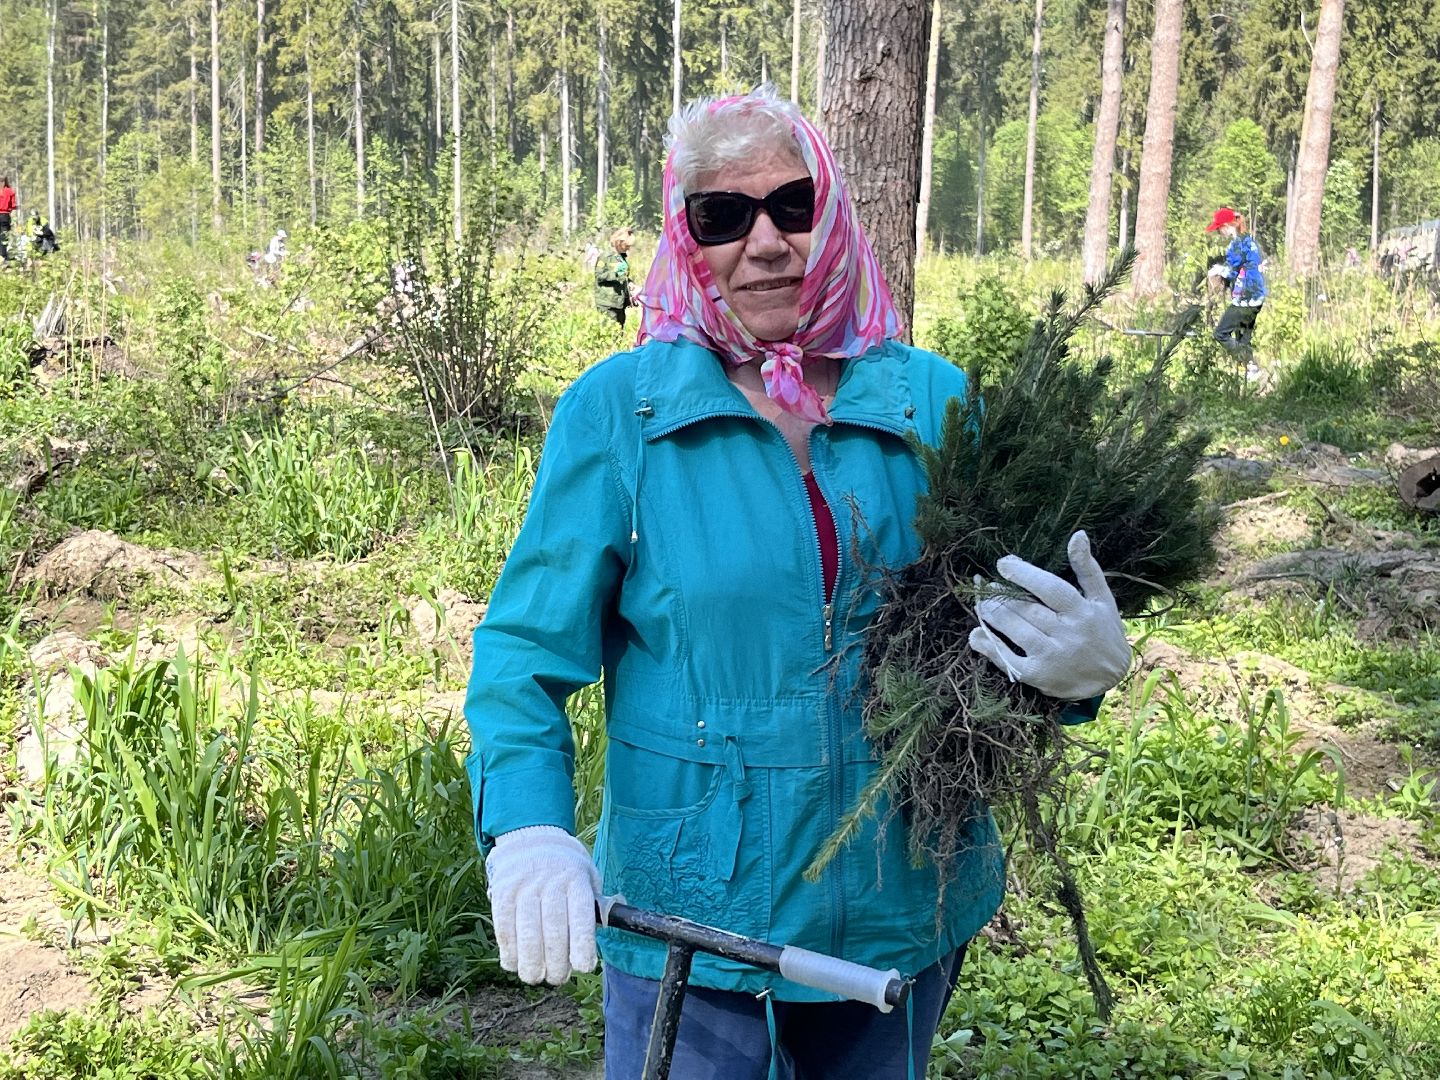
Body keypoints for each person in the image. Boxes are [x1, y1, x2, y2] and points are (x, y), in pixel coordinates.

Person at [465, 87, 1132, 1079]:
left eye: (793, 203)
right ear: (684, 238)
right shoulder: (622, 416)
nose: (767, 240)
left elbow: (1016, 622)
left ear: (833, 212)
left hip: (904, 904)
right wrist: (526, 823)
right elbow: (524, 656)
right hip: (693, 918)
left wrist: (1078, 677)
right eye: (723, 216)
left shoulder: (933, 401)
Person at [1205, 207, 1267, 376]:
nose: (1218, 233)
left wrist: (1216, 271)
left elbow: (1232, 272)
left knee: (1221, 333)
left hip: (1245, 299)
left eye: (1218, 229)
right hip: (1257, 297)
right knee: (1243, 338)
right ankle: (1249, 378)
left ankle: (1249, 361)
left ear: (1226, 226)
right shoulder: (1248, 241)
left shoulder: (1236, 245)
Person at [593, 227, 634, 328]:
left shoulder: (622, 258)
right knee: (609, 331)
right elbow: (599, 276)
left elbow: (623, 276)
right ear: (619, 243)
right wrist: (614, 273)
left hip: (620, 303)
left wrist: (630, 284)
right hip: (607, 303)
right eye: (626, 246)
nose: (628, 248)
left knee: (619, 331)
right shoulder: (606, 257)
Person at [0, 177, 16, 266]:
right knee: (3, 237)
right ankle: (3, 257)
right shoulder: (10, 191)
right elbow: (13, 205)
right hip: (5, 215)